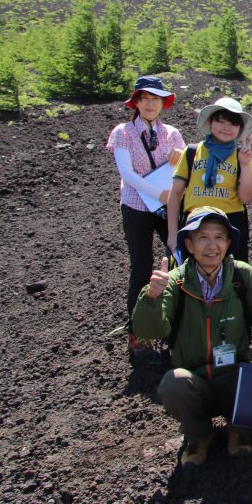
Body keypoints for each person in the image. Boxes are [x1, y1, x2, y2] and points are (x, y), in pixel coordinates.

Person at [133, 207, 252, 467]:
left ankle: (240, 428)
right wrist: (151, 299)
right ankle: (198, 435)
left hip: (236, 378)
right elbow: (148, 332)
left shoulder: (242, 275)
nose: (212, 246)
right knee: (173, 384)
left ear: (228, 242)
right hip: (194, 382)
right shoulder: (174, 282)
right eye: (203, 237)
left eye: (219, 237)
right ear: (189, 244)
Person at [107, 76, 186, 360]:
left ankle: (176, 322)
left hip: (167, 207)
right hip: (136, 206)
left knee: (178, 259)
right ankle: (137, 331)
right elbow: (127, 174)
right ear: (136, 102)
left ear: (163, 104)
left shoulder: (172, 133)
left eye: (156, 99)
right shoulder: (123, 132)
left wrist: (179, 158)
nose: (151, 104)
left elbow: (185, 167)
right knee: (140, 267)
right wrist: (159, 193)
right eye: (145, 99)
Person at [166, 97, 252, 263]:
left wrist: (244, 164)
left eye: (233, 124)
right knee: (192, 275)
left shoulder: (241, 156)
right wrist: (172, 234)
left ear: (240, 129)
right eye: (221, 121)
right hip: (194, 223)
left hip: (231, 224)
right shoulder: (191, 152)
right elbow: (175, 193)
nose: (226, 127)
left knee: (230, 276)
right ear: (210, 122)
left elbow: (247, 198)